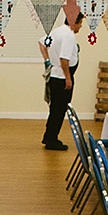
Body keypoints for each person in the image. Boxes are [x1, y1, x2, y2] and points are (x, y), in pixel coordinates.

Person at [39, 9, 83, 149]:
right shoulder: (68, 35)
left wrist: (47, 61)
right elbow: (64, 59)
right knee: (59, 110)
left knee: (54, 108)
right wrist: (68, 78)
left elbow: (41, 43)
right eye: (80, 23)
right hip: (62, 78)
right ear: (73, 22)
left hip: (54, 75)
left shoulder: (57, 31)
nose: (81, 26)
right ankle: (52, 140)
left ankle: (48, 136)